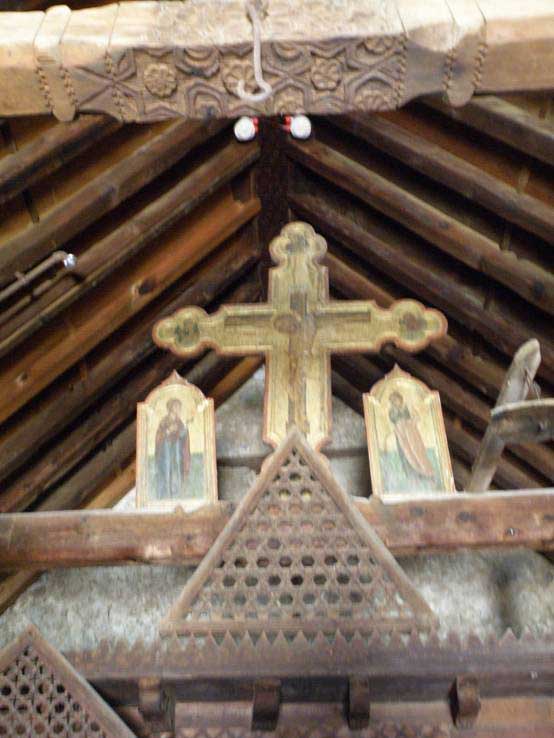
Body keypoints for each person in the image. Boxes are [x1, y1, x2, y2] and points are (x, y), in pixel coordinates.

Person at [385, 391, 437, 490]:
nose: (395, 402)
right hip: (402, 436)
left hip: (412, 433)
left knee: (418, 452)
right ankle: (413, 476)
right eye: (393, 401)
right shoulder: (392, 411)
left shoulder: (407, 407)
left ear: (400, 399)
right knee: (406, 454)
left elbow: (416, 417)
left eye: (396, 399)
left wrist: (411, 421)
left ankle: (426, 473)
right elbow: (395, 421)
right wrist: (402, 425)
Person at [154, 398, 190, 499]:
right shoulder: (164, 421)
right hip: (166, 451)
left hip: (176, 450)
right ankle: (166, 494)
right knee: (167, 470)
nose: (179, 408)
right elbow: (159, 436)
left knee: (177, 469)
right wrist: (168, 431)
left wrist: (185, 428)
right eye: (176, 406)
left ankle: (177, 494)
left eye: (179, 406)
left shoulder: (179, 422)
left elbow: (182, 436)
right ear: (171, 408)